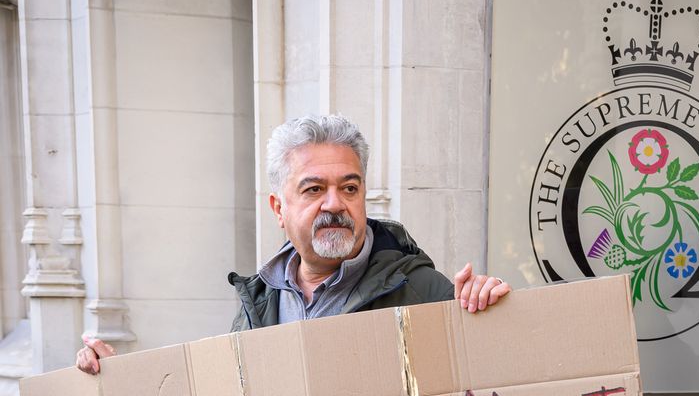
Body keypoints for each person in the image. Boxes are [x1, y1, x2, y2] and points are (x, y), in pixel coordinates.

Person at [76, 114, 509, 373]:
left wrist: (486, 319)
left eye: (350, 188)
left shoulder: (426, 294)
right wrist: (121, 384)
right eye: (313, 189)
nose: (335, 204)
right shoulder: (257, 303)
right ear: (278, 208)